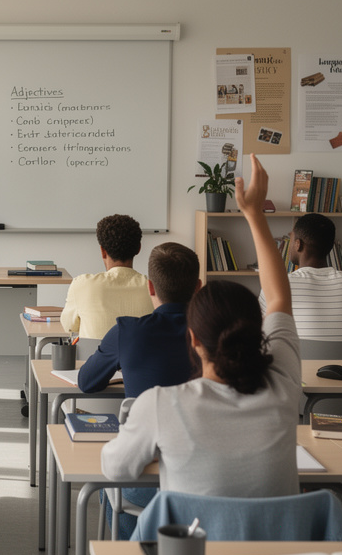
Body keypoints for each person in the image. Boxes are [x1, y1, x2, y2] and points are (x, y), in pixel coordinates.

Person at [102, 155, 302, 499]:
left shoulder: (160, 404)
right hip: (274, 546)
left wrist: (133, 424)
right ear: (259, 331)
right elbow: (280, 297)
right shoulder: (283, 382)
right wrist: (254, 215)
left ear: (192, 338)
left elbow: (115, 469)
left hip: (192, 551)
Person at [77, 242, 200, 398]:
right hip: (200, 422)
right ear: (198, 287)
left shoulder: (126, 332)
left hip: (142, 422)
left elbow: (86, 382)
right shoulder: (216, 334)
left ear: (150, 287)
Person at [260, 212, 342, 340]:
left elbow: (261, 326)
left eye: (290, 238)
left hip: (298, 359)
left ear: (298, 244)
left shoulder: (279, 284)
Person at [61, 214, 153, 341]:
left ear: (102, 251)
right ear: (138, 248)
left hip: (94, 360)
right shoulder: (153, 288)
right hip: (140, 360)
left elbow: (69, 327)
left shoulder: (82, 285)